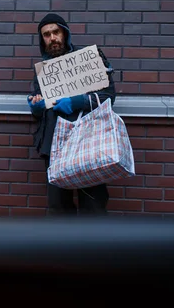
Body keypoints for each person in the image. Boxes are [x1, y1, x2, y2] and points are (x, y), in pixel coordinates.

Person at [27, 13, 117, 216]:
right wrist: (36, 107)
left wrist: (76, 102)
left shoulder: (88, 59)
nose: (52, 38)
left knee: (93, 207)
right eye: (47, 34)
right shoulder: (43, 72)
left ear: (65, 33)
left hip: (88, 142)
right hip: (55, 146)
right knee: (58, 208)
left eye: (56, 32)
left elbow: (108, 97)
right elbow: (39, 107)